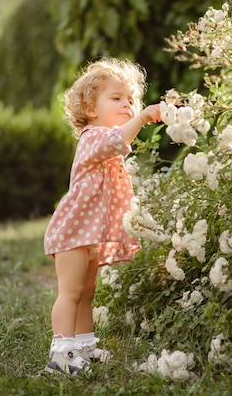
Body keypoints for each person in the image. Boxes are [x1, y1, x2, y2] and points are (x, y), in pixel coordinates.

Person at [43, 57, 162, 375]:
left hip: (89, 233)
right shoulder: (93, 137)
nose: (128, 105)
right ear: (91, 109)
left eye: (132, 100)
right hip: (72, 232)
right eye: (117, 98)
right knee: (70, 292)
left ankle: (82, 345)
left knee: (87, 292)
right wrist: (144, 117)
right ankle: (60, 354)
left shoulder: (109, 142)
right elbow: (117, 140)